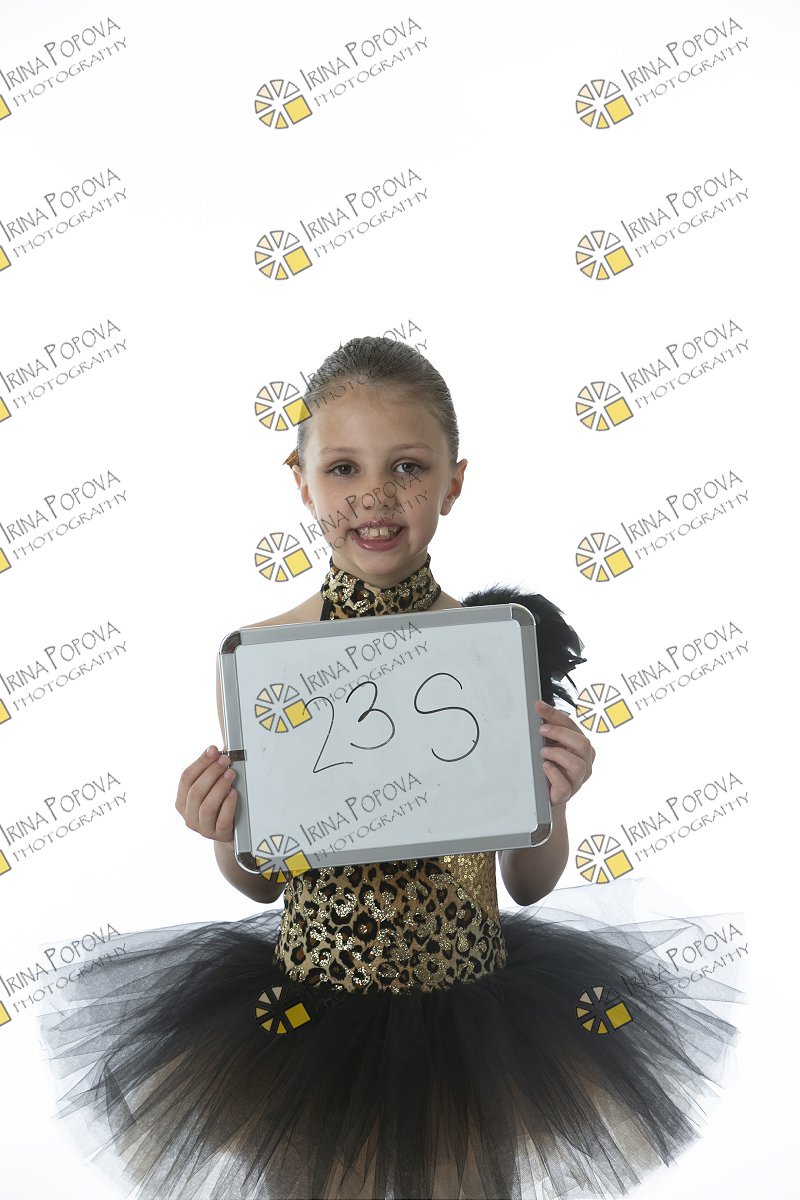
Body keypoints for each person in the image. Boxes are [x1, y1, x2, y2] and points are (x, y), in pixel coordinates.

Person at [39, 337, 743, 1200]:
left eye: (408, 466)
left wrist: (554, 800)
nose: (374, 496)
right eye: (343, 469)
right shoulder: (263, 660)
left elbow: (527, 884)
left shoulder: (493, 653)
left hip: (470, 1015)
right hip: (311, 1014)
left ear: (454, 481)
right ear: (302, 482)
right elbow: (262, 879)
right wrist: (222, 828)